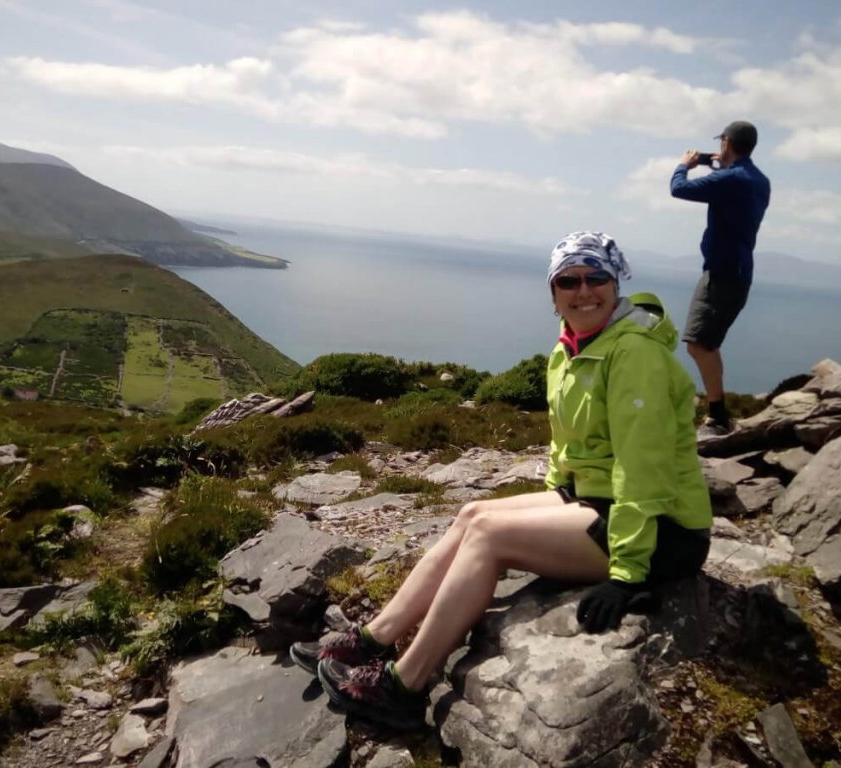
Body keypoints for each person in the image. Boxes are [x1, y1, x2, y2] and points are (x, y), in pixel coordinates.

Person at [289, 231, 713, 730]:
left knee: (490, 537)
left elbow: (644, 469)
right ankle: (374, 639)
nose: (584, 290)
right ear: (553, 293)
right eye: (568, 280)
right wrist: (560, 490)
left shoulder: (633, 354)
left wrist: (626, 576)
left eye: (596, 277)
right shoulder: (574, 347)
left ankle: (404, 685)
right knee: (472, 514)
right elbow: (573, 444)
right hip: (601, 500)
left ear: (616, 283)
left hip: (663, 529)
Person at [670, 120, 771, 438]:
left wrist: (684, 165)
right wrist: (712, 159)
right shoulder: (758, 180)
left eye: (722, 143)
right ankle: (718, 414)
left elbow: (679, 189)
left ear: (726, 142)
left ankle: (718, 418)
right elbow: (727, 172)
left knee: (700, 344)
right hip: (736, 272)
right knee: (705, 343)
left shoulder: (732, 180)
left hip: (723, 274)